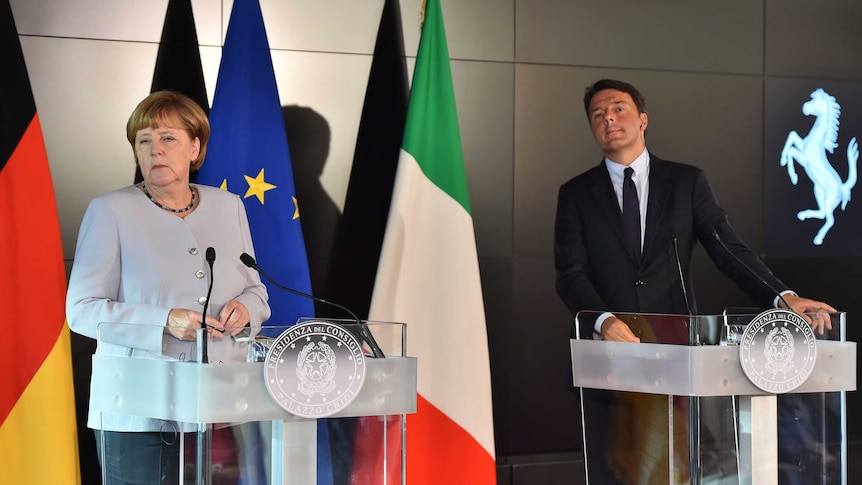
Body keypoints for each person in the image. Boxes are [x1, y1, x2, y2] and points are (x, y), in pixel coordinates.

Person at [554, 79, 836, 484]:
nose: (608, 118)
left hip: (675, 356)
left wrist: (783, 296)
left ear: (643, 119)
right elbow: (570, 275)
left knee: (676, 469)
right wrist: (602, 320)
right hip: (608, 359)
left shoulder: (685, 183)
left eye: (618, 108)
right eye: (597, 115)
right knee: (613, 470)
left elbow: (728, 249)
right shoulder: (575, 194)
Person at [66, 90, 271, 484]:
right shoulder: (110, 211)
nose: (155, 150)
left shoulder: (230, 207)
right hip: (139, 411)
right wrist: (165, 320)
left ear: (195, 147)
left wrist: (247, 310)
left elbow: (256, 290)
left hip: (222, 404)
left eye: (168, 139)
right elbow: (82, 309)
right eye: (144, 140)